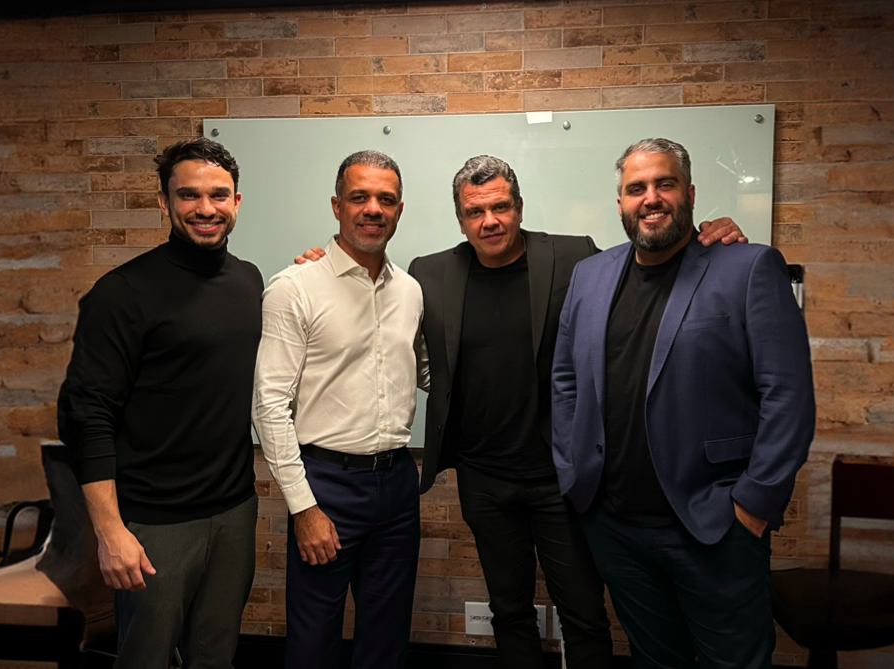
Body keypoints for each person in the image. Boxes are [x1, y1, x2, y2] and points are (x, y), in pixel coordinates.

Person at [297, 155, 747, 667]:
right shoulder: (430, 273)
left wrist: (708, 236)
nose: (489, 221)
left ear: (519, 207)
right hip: (483, 480)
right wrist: (323, 267)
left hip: (562, 478)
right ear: (460, 219)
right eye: (475, 212)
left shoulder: (575, 257)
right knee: (509, 611)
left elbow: (650, 263)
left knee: (583, 612)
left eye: (501, 207)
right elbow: (392, 336)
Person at [552, 138, 815, 668]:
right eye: (636, 188)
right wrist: (572, 471)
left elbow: (788, 395)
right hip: (615, 526)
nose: (650, 198)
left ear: (689, 193)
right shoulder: (590, 275)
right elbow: (565, 380)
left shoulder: (749, 267)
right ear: (621, 203)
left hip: (714, 526)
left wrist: (753, 506)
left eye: (664, 184)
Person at [57, 138, 263, 668]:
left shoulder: (249, 280)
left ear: (237, 202)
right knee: (145, 659)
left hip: (234, 511)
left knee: (214, 657)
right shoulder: (122, 292)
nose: (205, 208)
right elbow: (85, 416)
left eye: (218, 195)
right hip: (154, 524)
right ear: (164, 201)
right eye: (189, 195)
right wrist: (110, 531)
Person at [252, 150, 429, 669]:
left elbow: (426, 373)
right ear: (337, 206)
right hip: (326, 486)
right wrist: (303, 508)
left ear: (399, 210)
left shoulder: (411, 291)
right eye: (359, 197)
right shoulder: (294, 288)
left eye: (386, 200)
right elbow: (268, 405)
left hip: (397, 485)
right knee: (312, 644)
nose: (373, 209)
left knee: (386, 642)